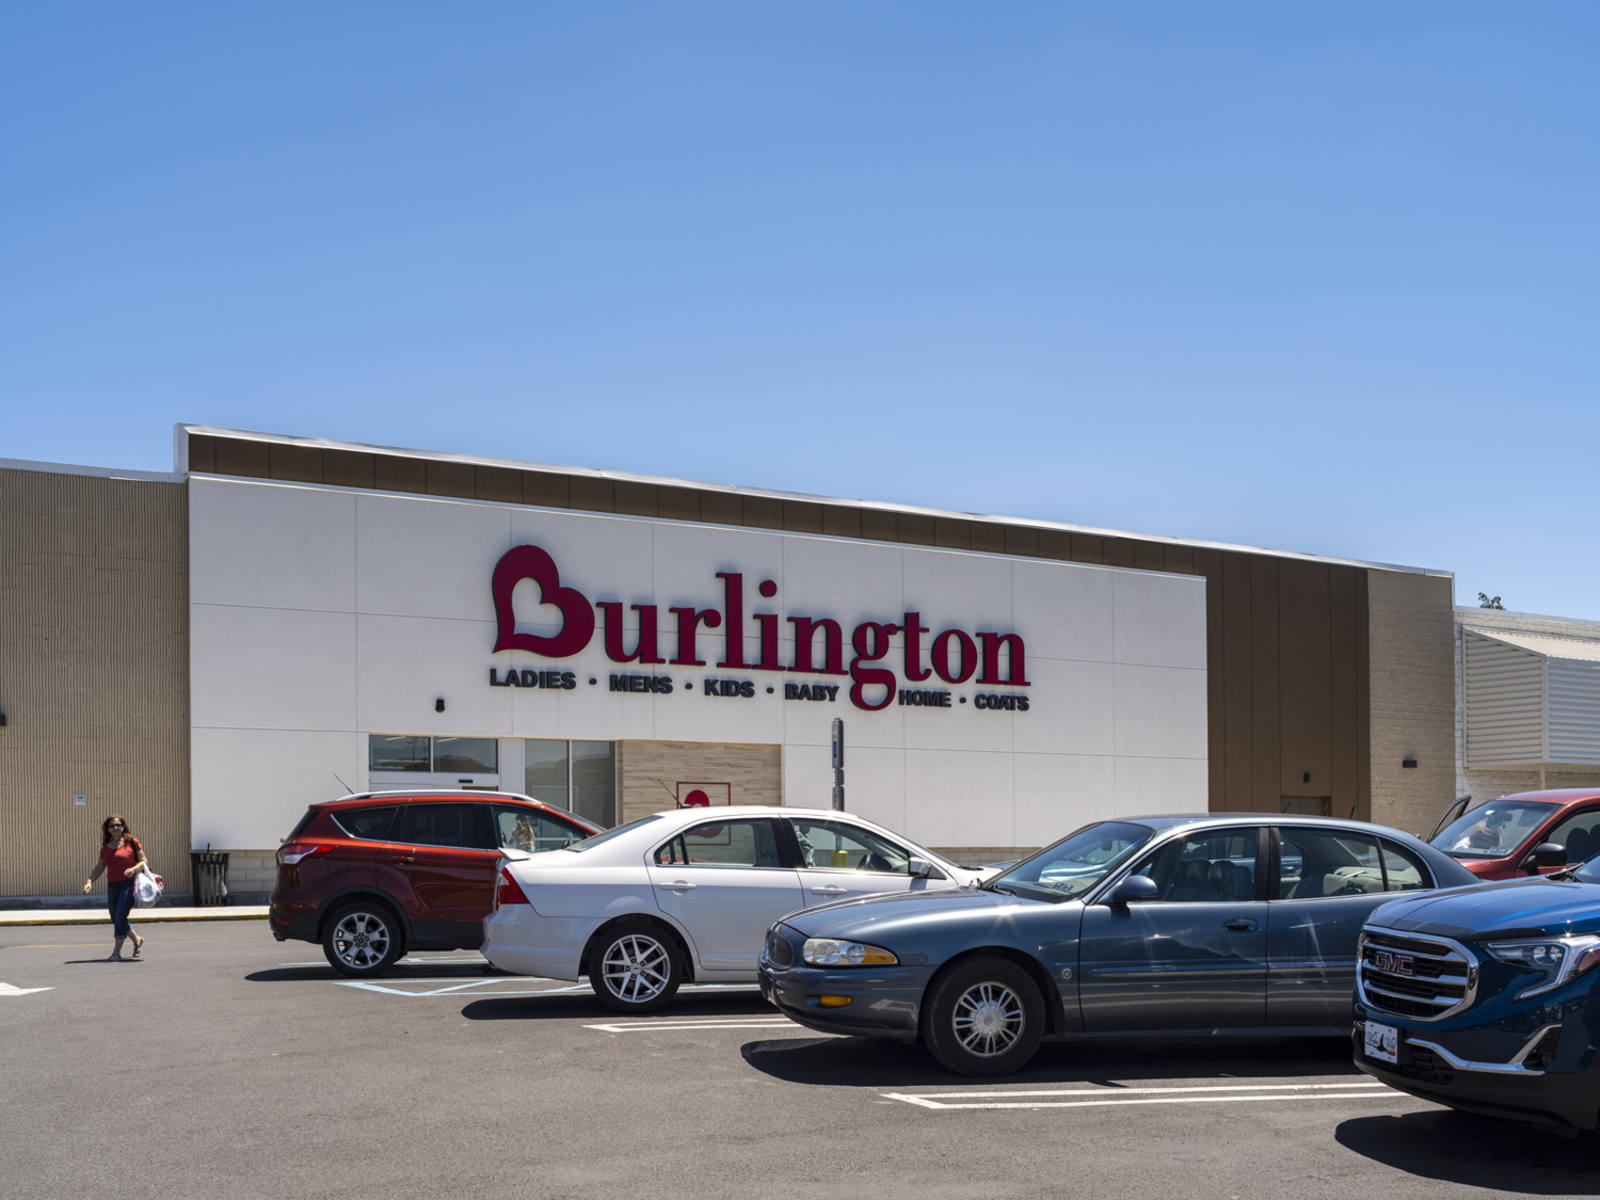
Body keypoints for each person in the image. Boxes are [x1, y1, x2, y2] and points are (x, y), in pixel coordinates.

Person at [81, 814, 149, 961]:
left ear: (123, 827)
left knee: (119, 916)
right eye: (112, 826)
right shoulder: (105, 848)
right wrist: (89, 882)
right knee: (116, 917)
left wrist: (133, 869)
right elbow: (100, 867)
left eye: (118, 825)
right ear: (108, 829)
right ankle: (137, 940)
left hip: (128, 885)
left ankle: (116, 953)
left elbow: (143, 861)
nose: (116, 828)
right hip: (113, 886)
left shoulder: (131, 842)